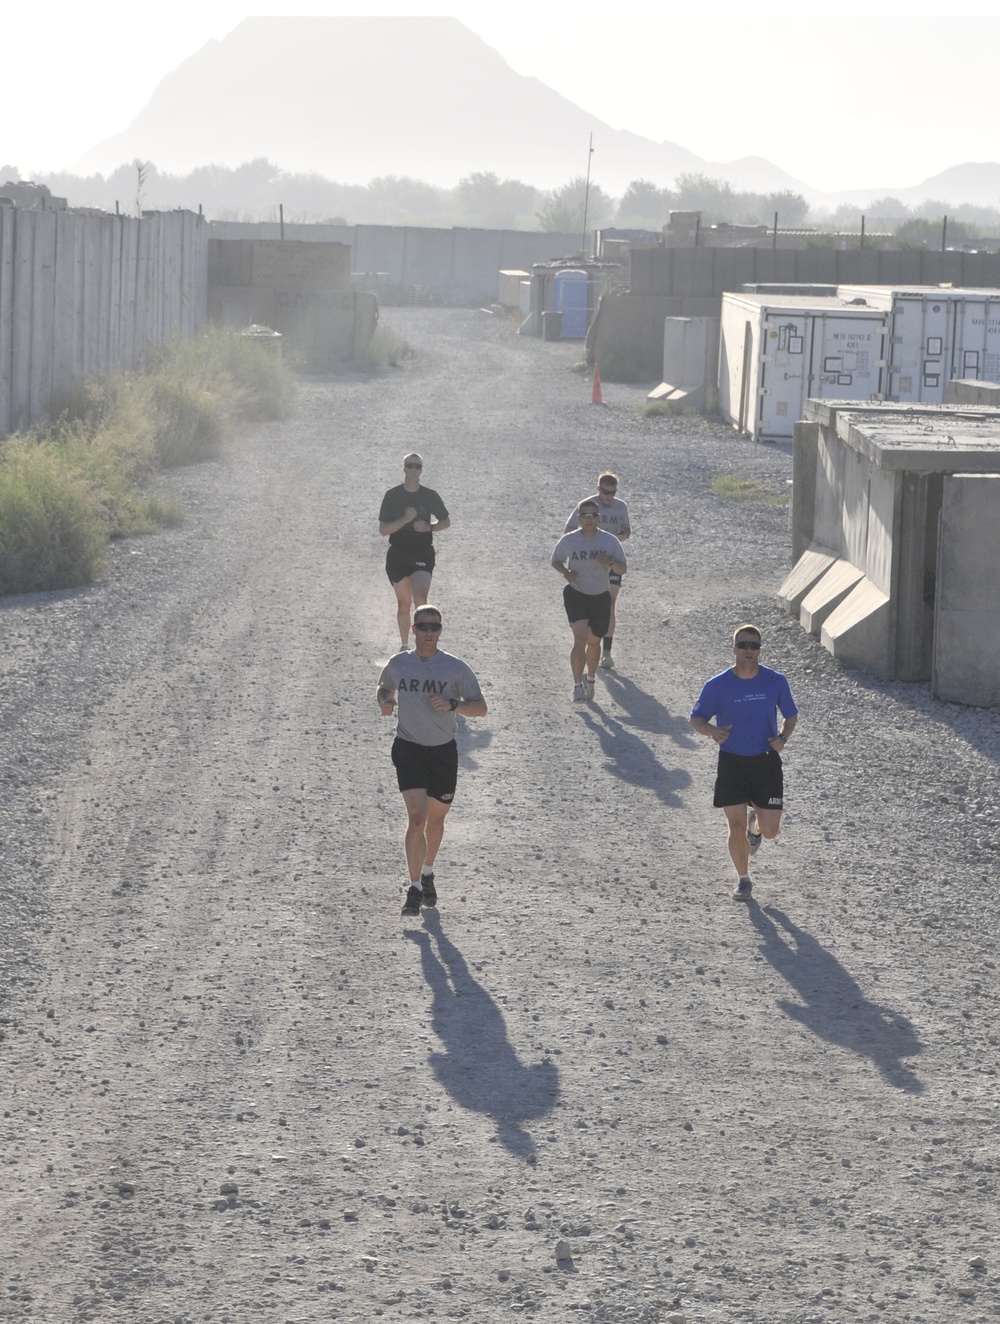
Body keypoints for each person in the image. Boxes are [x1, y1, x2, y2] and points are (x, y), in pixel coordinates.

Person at [377, 604, 488, 916]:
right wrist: (385, 700)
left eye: (434, 627)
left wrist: (454, 704)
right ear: (413, 630)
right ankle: (413, 888)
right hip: (408, 747)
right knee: (417, 818)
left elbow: (480, 708)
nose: (428, 633)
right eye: (422, 627)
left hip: (442, 752)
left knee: (436, 822)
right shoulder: (399, 663)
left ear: (440, 631)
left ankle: (427, 872)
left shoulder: (455, 668)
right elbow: (384, 686)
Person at [689, 624, 799, 901]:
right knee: (733, 825)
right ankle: (743, 879)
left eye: (754, 646)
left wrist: (783, 737)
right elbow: (696, 719)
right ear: (734, 649)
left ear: (760, 650)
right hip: (732, 763)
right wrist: (713, 731)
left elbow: (791, 715)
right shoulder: (717, 685)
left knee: (771, 831)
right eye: (743, 645)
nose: (749, 651)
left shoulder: (775, 681)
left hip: (765, 762)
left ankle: (756, 827)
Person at [551, 499, 627, 703]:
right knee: (580, 639)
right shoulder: (569, 540)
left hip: (600, 596)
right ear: (579, 518)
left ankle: (590, 679)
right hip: (576, 594)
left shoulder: (610, 541)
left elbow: (622, 569)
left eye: (593, 515)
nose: (590, 519)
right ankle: (577, 686)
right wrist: (566, 573)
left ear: (599, 518)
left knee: (594, 642)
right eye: (585, 515)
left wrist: (609, 562)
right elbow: (555, 560)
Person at [378, 452, 451, 648]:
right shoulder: (392, 496)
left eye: (417, 466)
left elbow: (446, 521)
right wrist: (404, 520)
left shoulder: (430, 496)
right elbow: (383, 530)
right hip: (398, 554)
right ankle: (404, 646)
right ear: (404, 469)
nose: (413, 469)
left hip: (422, 552)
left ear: (421, 471)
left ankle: (425, 645)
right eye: (409, 465)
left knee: (420, 599)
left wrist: (430, 527)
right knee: (404, 604)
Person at [565, 471, 631, 669]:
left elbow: (627, 531)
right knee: (590, 602)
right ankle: (589, 644)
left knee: (609, 603)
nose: (609, 497)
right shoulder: (587, 505)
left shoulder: (621, 507)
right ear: (598, 489)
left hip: (611, 560)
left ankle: (607, 652)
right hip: (589, 564)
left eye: (612, 492)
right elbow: (568, 530)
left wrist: (622, 536)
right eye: (605, 492)